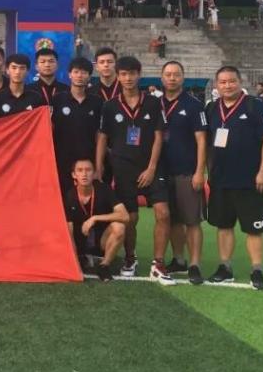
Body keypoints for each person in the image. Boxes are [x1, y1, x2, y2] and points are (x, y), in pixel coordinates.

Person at [95, 56, 170, 283]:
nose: (128, 78)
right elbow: (102, 138)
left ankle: (158, 263)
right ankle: (130, 258)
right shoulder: (110, 106)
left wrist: (151, 168)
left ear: (139, 74)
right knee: (130, 218)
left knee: (163, 213)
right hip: (123, 168)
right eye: (124, 74)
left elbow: (159, 137)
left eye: (132, 74)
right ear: (118, 76)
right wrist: (98, 167)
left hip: (151, 167)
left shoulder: (154, 102)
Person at [204, 66, 263, 290]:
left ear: (239, 82)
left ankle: (257, 270)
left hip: (249, 179)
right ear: (217, 85)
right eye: (223, 82)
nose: (227, 85)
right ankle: (225, 268)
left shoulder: (255, 106)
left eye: (232, 81)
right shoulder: (211, 108)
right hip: (220, 179)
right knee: (223, 225)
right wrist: (207, 171)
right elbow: (206, 143)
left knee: (254, 228)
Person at [158, 61, 207, 285]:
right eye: (168, 74)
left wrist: (199, 172)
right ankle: (179, 259)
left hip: (187, 171)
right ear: (161, 78)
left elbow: (202, 140)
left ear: (183, 78)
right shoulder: (155, 103)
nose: (172, 78)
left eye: (176, 75)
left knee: (192, 220)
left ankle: (195, 264)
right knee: (173, 220)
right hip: (163, 171)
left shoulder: (194, 105)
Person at [65, 159, 130, 281]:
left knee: (119, 226)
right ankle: (80, 258)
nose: (84, 174)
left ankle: (104, 266)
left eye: (88, 170)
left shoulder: (104, 190)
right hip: (80, 243)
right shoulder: (69, 196)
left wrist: (95, 218)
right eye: (80, 170)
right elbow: (69, 233)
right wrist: (74, 263)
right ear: (74, 175)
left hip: (102, 241)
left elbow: (125, 216)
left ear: (94, 174)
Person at [51, 58, 103, 197]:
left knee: (87, 198)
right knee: (64, 198)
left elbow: (100, 135)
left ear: (89, 76)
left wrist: (99, 166)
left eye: (84, 72)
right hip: (62, 160)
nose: (80, 76)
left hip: (88, 159)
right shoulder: (57, 100)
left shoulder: (97, 102)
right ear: (69, 74)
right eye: (76, 72)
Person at [0, 54, 45, 118]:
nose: (17, 72)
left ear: (27, 71)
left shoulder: (36, 97)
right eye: (14, 68)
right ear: (7, 70)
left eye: (22, 68)